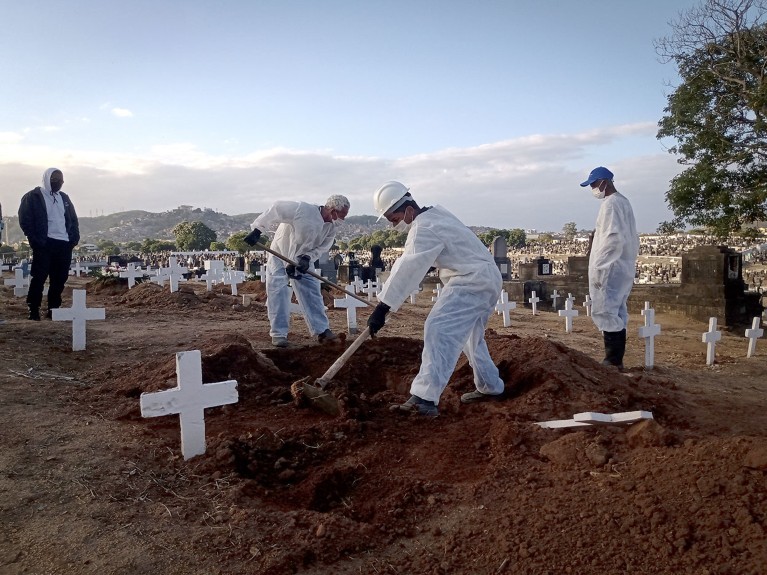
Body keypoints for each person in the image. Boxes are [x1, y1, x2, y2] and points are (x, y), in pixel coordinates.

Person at [366, 181, 505, 416]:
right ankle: (491, 386)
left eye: (394, 219)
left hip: (471, 281)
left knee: (438, 327)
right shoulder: (437, 215)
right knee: (471, 337)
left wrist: (383, 307)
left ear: (408, 209)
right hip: (484, 278)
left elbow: (407, 267)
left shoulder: (424, 227)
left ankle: (424, 398)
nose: (394, 225)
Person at [244, 195, 350, 347]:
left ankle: (322, 330)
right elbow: (277, 207)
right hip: (280, 254)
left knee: (312, 291)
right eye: (342, 216)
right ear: (333, 210)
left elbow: (322, 247)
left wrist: (308, 258)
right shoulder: (303, 209)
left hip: (302, 260)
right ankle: (279, 334)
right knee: (278, 291)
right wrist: (258, 229)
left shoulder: (331, 227)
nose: (342, 220)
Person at [580, 167, 639, 369]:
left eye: (595, 184)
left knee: (605, 308)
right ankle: (616, 359)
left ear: (605, 182)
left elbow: (612, 239)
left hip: (609, 267)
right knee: (616, 309)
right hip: (622, 265)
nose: (594, 188)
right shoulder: (623, 201)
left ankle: (612, 360)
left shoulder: (611, 204)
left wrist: (599, 266)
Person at [18, 168, 80, 321]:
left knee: (59, 278)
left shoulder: (64, 198)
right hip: (44, 243)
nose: (59, 183)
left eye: (61, 180)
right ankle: (33, 308)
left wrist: (73, 239)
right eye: (55, 179)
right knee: (39, 277)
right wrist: (35, 240)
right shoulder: (33, 197)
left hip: (64, 243)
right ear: (47, 179)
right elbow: (25, 219)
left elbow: (73, 220)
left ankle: (54, 308)